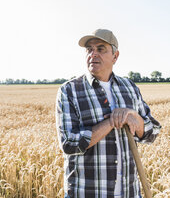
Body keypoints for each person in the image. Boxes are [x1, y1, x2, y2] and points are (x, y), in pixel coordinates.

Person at [55, 29, 161, 198]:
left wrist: (133, 117)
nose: (93, 54)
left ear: (115, 56)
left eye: (100, 49)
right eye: (89, 49)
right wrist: (111, 122)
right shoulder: (70, 90)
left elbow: (152, 132)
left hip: (129, 193)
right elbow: (69, 143)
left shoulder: (129, 88)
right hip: (87, 193)